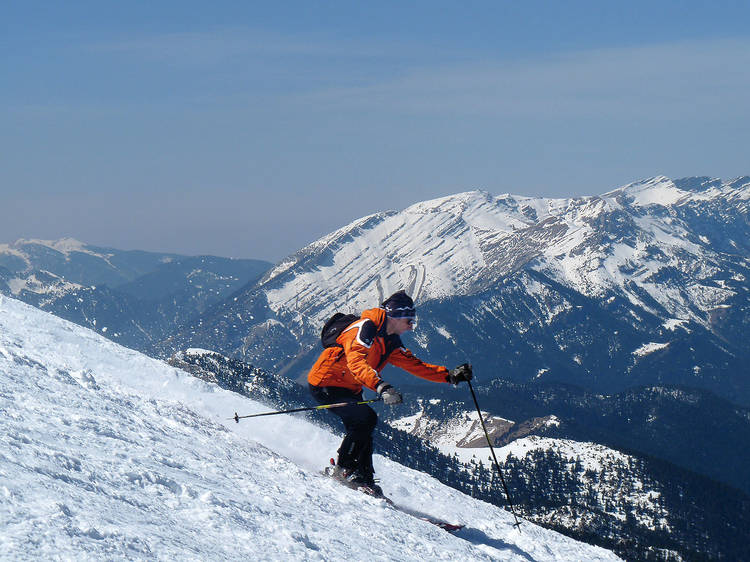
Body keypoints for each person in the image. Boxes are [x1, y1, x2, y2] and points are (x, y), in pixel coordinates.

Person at [307, 290, 473, 495]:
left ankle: (363, 477)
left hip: (350, 387)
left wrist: (450, 376)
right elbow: (355, 363)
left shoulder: (390, 340)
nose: (411, 327)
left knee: (365, 426)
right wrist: (381, 386)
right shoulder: (365, 329)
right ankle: (345, 471)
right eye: (409, 321)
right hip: (326, 383)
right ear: (395, 317)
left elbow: (415, 365)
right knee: (364, 420)